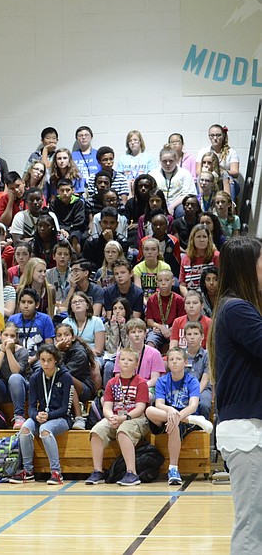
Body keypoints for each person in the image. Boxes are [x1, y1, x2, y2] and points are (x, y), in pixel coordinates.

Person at [209, 237, 262, 553]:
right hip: (245, 432)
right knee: (251, 526)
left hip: (250, 428)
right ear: (247, 267)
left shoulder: (239, 308)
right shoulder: (237, 309)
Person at [145, 347, 213, 486]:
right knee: (149, 410)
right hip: (167, 415)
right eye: (171, 359)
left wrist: (177, 417)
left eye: (178, 359)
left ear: (185, 362)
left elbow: (193, 406)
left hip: (184, 415)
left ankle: (173, 469)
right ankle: (193, 420)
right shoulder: (162, 381)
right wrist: (170, 410)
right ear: (168, 363)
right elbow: (159, 404)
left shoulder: (192, 381)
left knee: (173, 425)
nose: (174, 362)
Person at [9, 343, 73, 485]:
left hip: (62, 418)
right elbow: (31, 407)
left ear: (55, 359)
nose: (45, 363)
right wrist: (36, 415)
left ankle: (56, 473)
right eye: (42, 360)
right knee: (24, 429)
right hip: (42, 416)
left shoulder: (66, 377)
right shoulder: (35, 378)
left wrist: (48, 416)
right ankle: (28, 471)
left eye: (49, 360)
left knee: (45, 430)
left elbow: (65, 409)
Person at [86, 347, 151, 486]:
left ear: (136, 364)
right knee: (97, 431)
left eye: (130, 360)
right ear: (118, 362)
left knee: (123, 431)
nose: (126, 362)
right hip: (115, 417)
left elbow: (140, 408)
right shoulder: (112, 383)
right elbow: (107, 407)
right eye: (122, 359)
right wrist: (111, 417)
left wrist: (124, 418)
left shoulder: (141, 383)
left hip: (135, 418)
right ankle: (98, 471)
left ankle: (131, 473)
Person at [144, 269, 185, 351]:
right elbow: (149, 321)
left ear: (173, 282)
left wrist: (171, 329)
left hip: (174, 329)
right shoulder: (152, 299)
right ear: (156, 283)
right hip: (157, 330)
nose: (163, 283)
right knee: (150, 342)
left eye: (167, 280)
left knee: (178, 343)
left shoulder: (179, 299)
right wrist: (160, 327)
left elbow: (182, 320)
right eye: (160, 280)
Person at [196, 124, 240, 199]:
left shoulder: (231, 151)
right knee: (199, 179)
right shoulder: (203, 151)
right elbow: (198, 172)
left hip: (225, 179)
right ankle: (202, 204)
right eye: (212, 135)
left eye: (218, 135)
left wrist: (220, 170)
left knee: (230, 181)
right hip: (208, 178)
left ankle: (229, 206)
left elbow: (235, 172)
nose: (215, 138)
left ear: (223, 136)